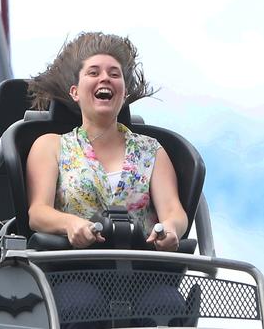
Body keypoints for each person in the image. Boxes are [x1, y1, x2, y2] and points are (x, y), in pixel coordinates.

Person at [26, 33, 193, 327]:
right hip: (75, 269)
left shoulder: (151, 150)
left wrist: (169, 229)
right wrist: (70, 224)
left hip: (143, 273)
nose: (105, 78)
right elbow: (38, 212)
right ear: (75, 92)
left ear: (124, 92)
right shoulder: (51, 146)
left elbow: (174, 213)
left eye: (114, 74)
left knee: (165, 306)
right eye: (94, 72)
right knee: (82, 306)